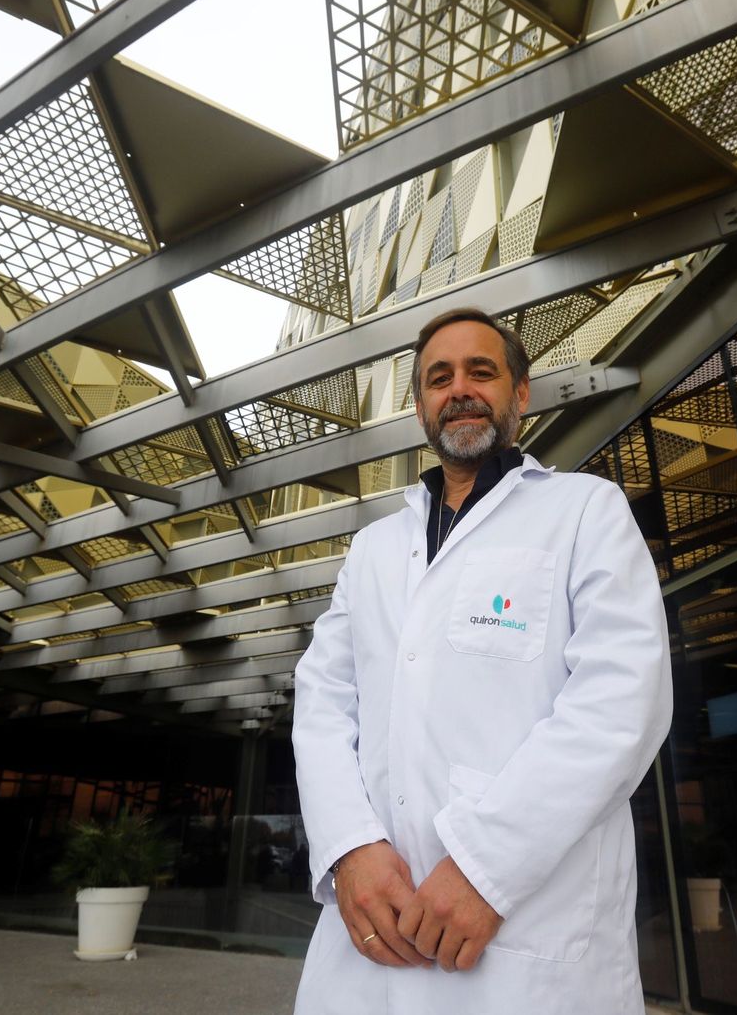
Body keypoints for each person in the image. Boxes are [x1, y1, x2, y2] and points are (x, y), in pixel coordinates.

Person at [291, 308, 673, 1014]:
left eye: (481, 371)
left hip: (526, 937)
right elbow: (321, 703)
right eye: (440, 378)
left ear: (520, 394)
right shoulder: (374, 549)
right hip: (371, 933)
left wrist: (486, 866)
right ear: (420, 407)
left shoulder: (586, 511)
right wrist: (349, 847)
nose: (459, 388)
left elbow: (621, 700)